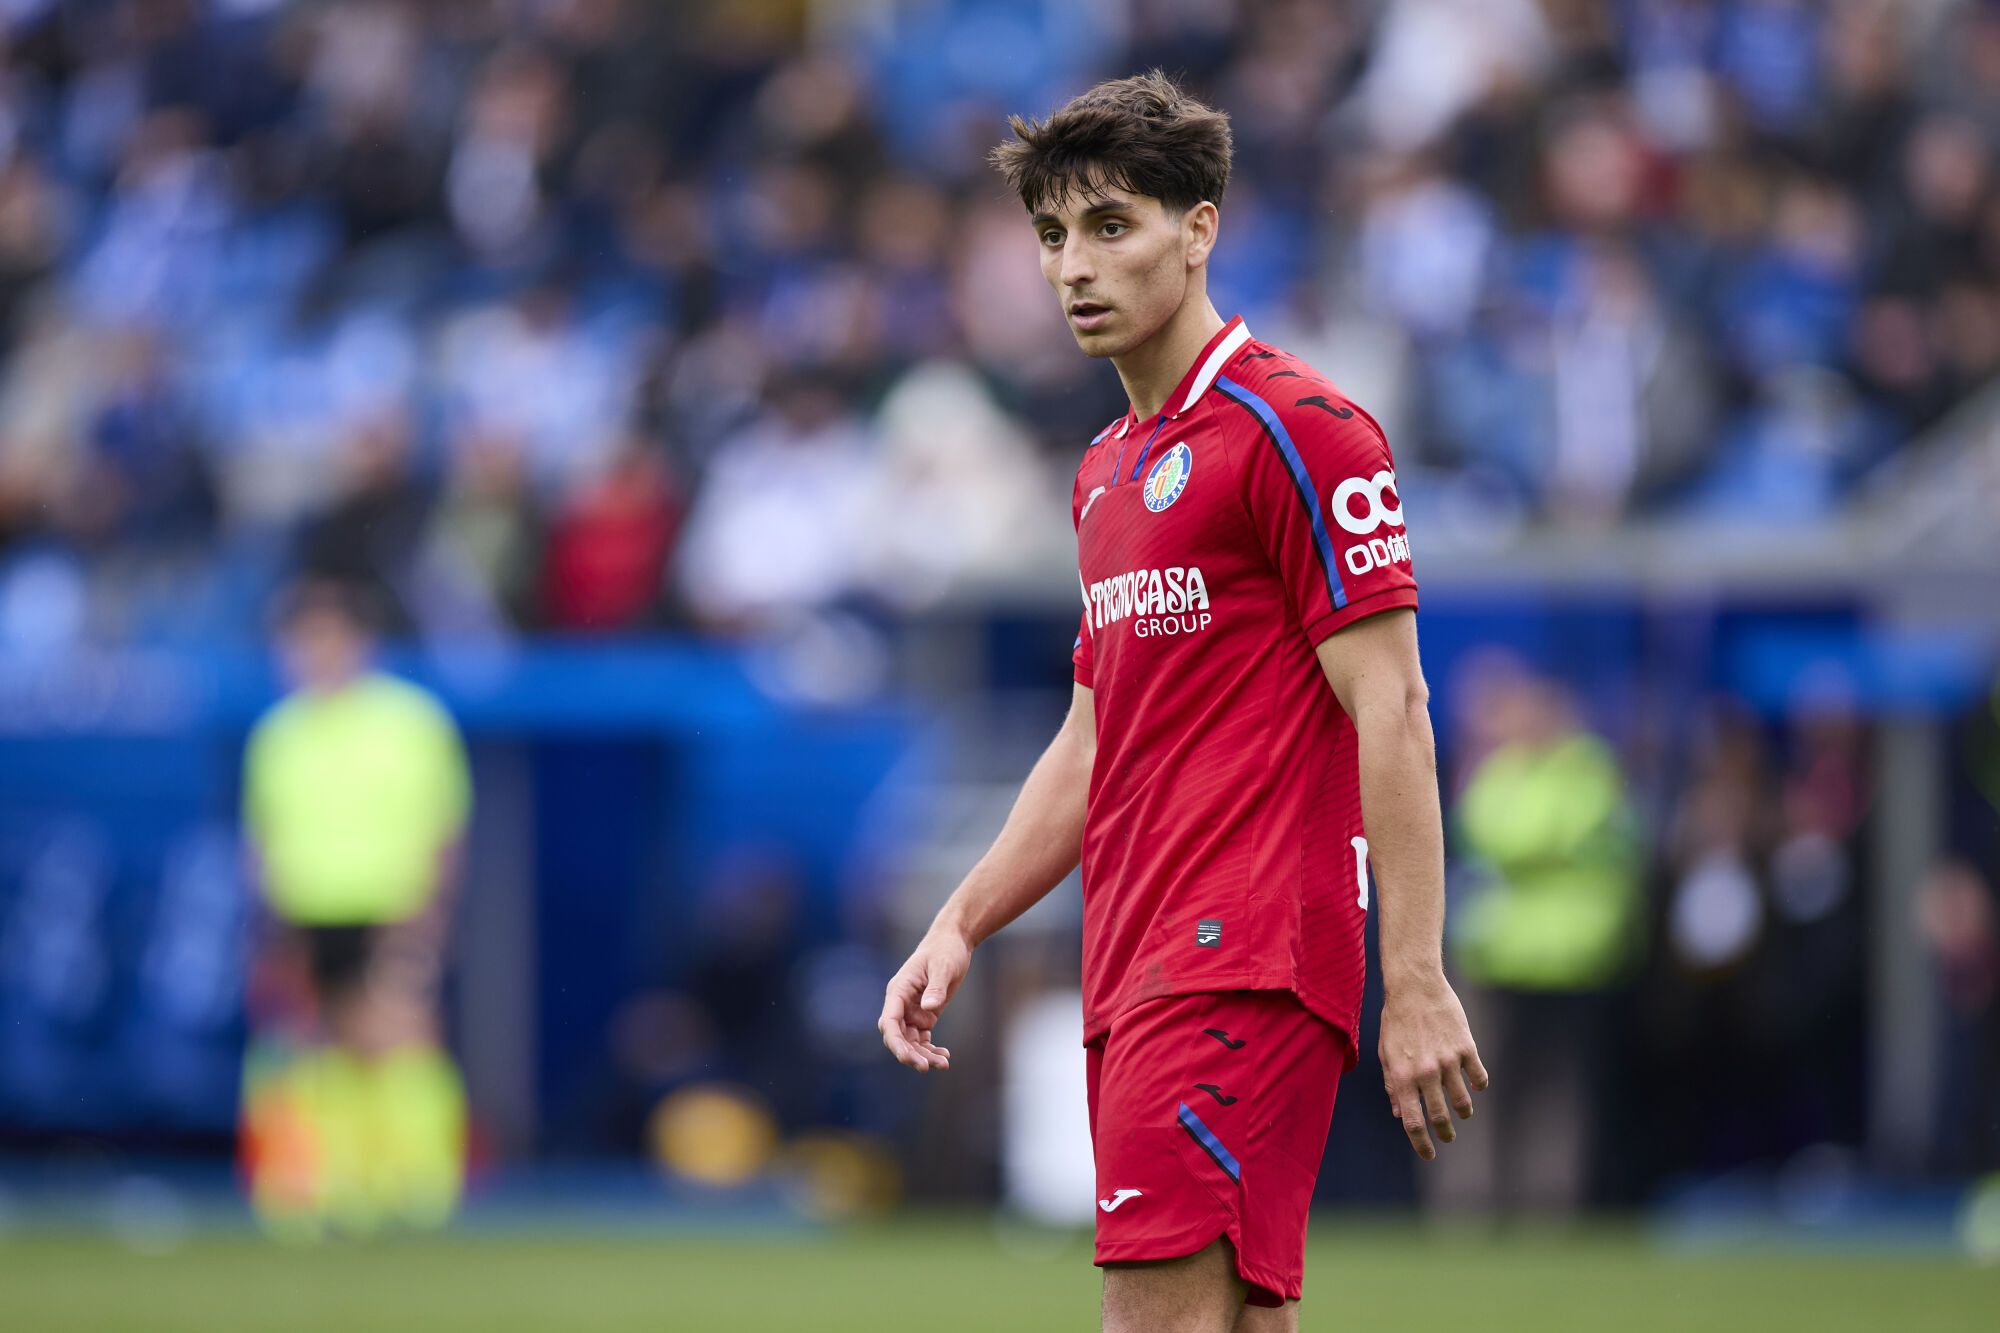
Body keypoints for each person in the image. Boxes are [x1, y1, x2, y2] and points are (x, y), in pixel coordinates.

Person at [879, 73, 1487, 1332]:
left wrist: (1415, 975)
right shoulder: (1105, 471)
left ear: (1198, 228)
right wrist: (960, 920)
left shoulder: (1300, 430)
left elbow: (1392, 706)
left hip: (1241, 954)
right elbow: (1090, 739)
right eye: (1053, 234)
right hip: (1138, 954)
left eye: (1111, 226)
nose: (1073, 266)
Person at [239, 579, 472, 1237]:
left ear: (360, 642)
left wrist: (429, 911)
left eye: (328, 637)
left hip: (388, 903)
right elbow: (261, 836)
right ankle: (333, 1190)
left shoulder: (411, 721)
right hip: (305, 910)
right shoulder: (278, 732)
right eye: (302, 640)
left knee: (400, 1038)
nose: (315, 653)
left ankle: (420, 1190)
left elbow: (444, 826)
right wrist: (269, 920)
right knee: (316, 1049)